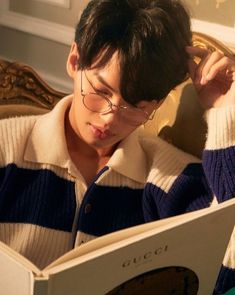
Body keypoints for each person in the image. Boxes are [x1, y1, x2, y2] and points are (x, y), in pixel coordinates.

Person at [0, 0, 234, 293]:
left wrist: (227, 111)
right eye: (100, 91)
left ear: (158, 104)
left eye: (137, 107)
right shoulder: (5, 149)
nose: (110, 118)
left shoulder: (168, 177)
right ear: (74, 61)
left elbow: (224, 270)